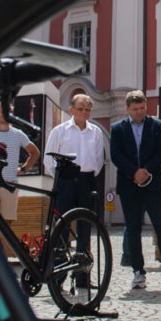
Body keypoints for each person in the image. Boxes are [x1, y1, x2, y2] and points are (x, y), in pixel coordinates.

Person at [110, 90, 161, 290]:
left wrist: (147, 170)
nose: (139, 112)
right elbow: (116, 154)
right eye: (135, 109)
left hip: (152, 184)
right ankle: (138, 271)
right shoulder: (118, 128)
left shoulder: (156, 126)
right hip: (128, 184)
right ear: (127, 109)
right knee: (133, 229)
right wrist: (134, 172)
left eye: (142, 108)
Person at [44, 93, 106, 281]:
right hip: (65, 181)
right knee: (61, 227)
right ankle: (58, 276)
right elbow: (48, 159)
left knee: (85, 227)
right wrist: (61, 178)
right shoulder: (60, 131)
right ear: (71, 110)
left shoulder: (95, 131)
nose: (84, 113)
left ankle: (82, 276)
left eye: (87, 109)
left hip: (87, 180)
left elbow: (99, 160)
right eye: (80, 109)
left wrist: (88, 175)